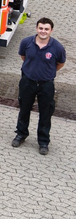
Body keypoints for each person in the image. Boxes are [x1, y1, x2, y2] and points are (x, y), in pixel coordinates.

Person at [12, 18, 66, 155]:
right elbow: (23, 57)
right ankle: (21, 134)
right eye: (41, 28)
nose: (43, 31)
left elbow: (60, 64)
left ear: (51, 30)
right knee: (24, 109)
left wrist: (46, 73)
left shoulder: (58, 47)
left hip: (46, 85)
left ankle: (43, 142)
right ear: (37, 28)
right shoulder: (26, 42)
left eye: (46, 29)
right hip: (27, 82)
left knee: (46, 114)